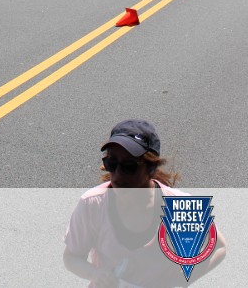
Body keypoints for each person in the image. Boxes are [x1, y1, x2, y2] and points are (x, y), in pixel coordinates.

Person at [64, 120, 226, 287]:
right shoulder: (92, 204)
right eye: (111, 163)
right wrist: (95, 274)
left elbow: (218, 248)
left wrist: (179, 281)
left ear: (151, 168)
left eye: (129, 166)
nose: (118, 174)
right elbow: (72, 256)